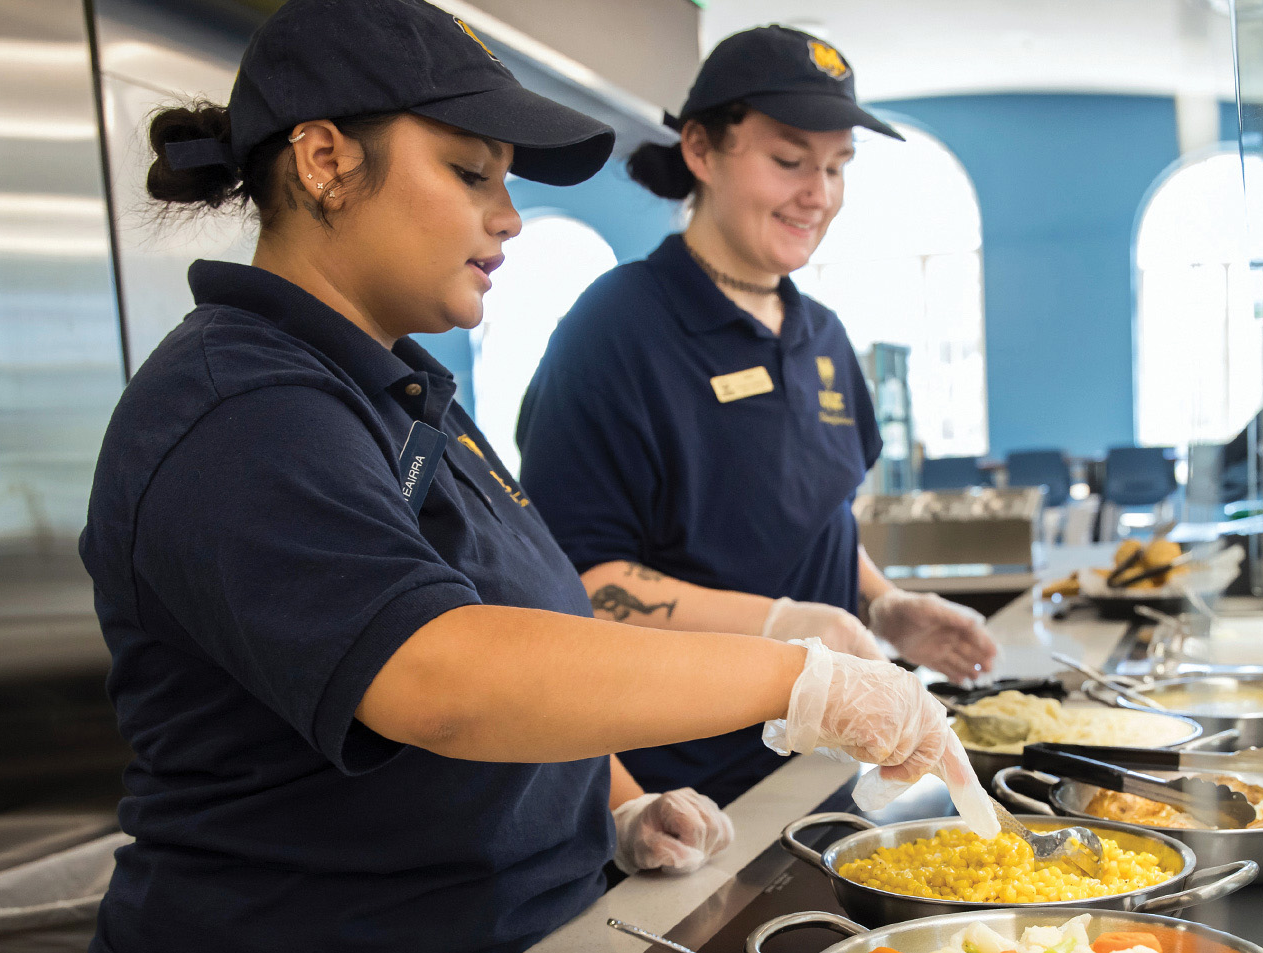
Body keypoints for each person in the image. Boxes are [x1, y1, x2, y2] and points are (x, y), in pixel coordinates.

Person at [78, 3, 989, 951]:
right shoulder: (241, 409)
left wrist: (619, 801)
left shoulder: (399, 391)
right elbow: (443, 675)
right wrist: (804, 674)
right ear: (325, 161)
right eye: (471, 173)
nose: (508, 218)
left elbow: (536, 624)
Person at [516, 25, 998, 807]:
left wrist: (882, 603)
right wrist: (784, 627)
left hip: (833, 759)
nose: (821, 194)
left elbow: (821, 515)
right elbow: (583, 583)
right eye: (789, 161)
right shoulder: (616, 330)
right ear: (701, 150)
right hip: (689, 788)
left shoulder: (825, 337)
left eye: (838, 168)